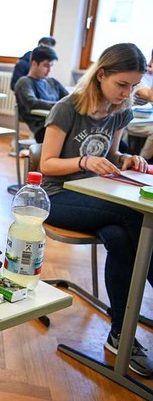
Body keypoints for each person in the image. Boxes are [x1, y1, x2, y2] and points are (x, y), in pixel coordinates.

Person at [40, 42, 153, 377]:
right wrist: (83, 160)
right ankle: (127, 323)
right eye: (122, 84)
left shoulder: (122, 111)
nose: (126, 93)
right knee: (133, 216)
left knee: (121, 237)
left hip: (96, 194)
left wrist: (126, 160)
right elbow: (46, 164)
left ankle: (121, 332)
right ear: (101, 74)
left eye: (133, 86)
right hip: (57, 197)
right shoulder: (68, 108)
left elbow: (112, 155)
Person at [14, 46, 69, 143]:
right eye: (46, 66)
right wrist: (60, 106)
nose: (49, 70)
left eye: (51, 66)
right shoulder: (24, 82)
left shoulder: (53, 82)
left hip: (60, 124)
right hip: (43, 128)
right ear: (34, 64)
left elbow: (69, 99)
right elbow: (32, 103)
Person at [126, 49, 153, 161]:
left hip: (147, 120)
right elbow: (151, 97)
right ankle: (142, 161)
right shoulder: (140, 74)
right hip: (132, 120)